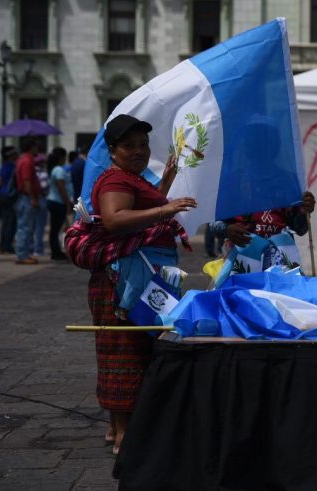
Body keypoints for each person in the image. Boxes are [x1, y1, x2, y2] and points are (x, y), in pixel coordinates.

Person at [82, 114, 197, 454]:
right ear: (112, 150)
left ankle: (119, 427)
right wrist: (167, 209)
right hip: (122, 282)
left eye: (143, 144)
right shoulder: (115, 180)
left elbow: (142, 205)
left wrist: (166, 182)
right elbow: (117, 219)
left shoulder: (132, 179)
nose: (138, 151)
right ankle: (124, 437)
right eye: (129, 146)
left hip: (141, 278)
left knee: (137, 349)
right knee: (124, 352)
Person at [13, 139, 41, 265]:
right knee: (25, 227)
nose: (37, 149)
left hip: (24, 197)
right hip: (26, 197)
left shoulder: (22, 160)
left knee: (25, 227)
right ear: (31, 147)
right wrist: (33, 198)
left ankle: (24, 253)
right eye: (35, 146)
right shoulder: (27, 161)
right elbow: (27, 181)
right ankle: (22, 255)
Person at [46, 147, 74, 261]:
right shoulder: (59, 170)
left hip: (56, 201)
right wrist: (67, 203)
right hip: (58, 202)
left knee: (55, 229)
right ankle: (56, 252)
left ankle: (56, 251)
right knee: (56, 229)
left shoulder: (55, 169)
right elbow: (61, 187)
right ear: (61, 157)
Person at [0, 146, 18, 254]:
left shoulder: (3, 167)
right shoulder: (13, 167)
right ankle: (7, 245)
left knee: (5, 222)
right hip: (11, 196)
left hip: (2, 194)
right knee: (11, 222)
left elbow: (0, 182)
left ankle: (2, 245)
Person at [32, 153, 50, 257]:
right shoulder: (42, 174)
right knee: (40, 226)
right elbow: (43, 187)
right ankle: (38, 248)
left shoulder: (33, 172)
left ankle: (31, 247)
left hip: (32, 198)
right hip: (41, 199)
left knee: (32, 225)